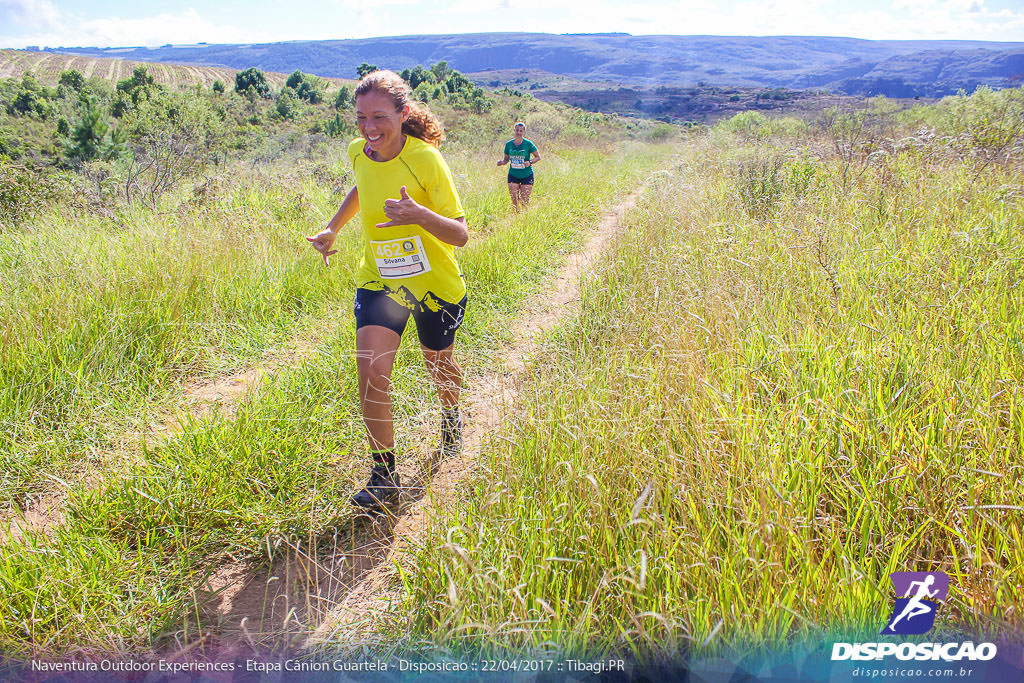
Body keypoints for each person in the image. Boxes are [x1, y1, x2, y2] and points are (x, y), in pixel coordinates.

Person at [306, 70, 469, 510]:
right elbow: (363, 186)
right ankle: (384, 474)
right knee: (372, 372)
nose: (368, 128)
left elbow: (460, 234)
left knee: (439, 363)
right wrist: (333, 226)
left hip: (433, 285)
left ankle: (452, 417)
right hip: (380, 280)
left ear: (404, 113)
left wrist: (418, 215)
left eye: (378, 117)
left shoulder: (426, 160)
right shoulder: (360, 152)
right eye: (360, 118)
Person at [496, 121, 540, 211]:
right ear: (514, 131)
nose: (519, 133)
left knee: (524, 201)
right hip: (513, 174)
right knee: (514, 201)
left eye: (521, 131)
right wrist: (501, 162)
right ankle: (515, 217)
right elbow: (506, 159)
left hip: (526, 174)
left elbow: (538, 157)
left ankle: (524, 219)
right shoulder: (509, 144)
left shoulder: (528, 144)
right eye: (517, 130)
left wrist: (530, 162)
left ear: (524, 132)